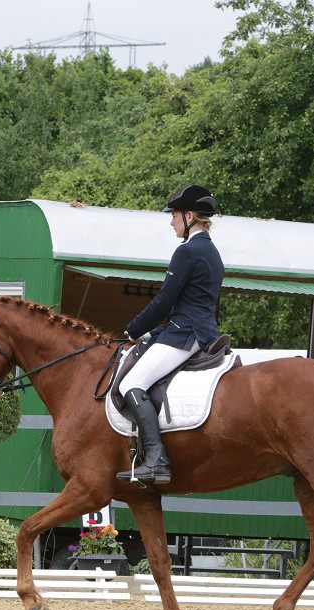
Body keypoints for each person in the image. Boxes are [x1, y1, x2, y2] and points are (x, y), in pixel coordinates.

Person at [116, 185, 225, 485]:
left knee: (131, 383)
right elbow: (189, 305)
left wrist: (133, 329)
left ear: (189, 216)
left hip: (185, 335)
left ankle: (156, 460)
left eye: (175, 216)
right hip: (195, 330)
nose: (171, 222)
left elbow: (164, 301)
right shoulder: (212, 252)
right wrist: (151, 333)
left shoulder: (187, 251)